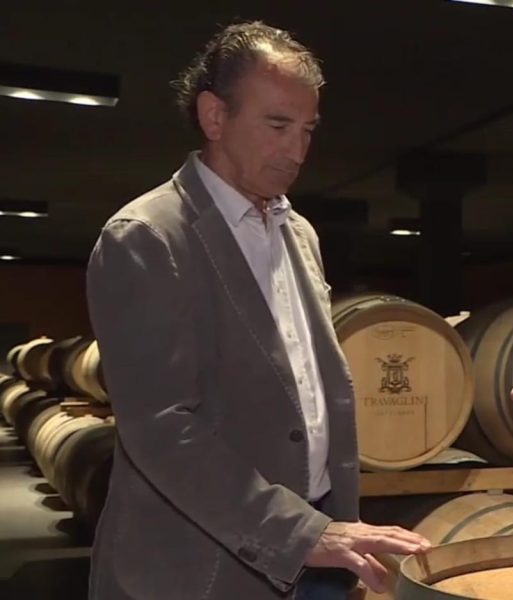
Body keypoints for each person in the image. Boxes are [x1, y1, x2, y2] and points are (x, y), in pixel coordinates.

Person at [86, 21, 429, 600]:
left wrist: (325, 525)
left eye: (307, 130)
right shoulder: (146, 236)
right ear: (214, 116)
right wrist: (299, 534)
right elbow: (162, 428)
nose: (297, 150)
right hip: (207, 567)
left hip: (320, 546)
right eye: (277, 125)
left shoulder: (300, 233)